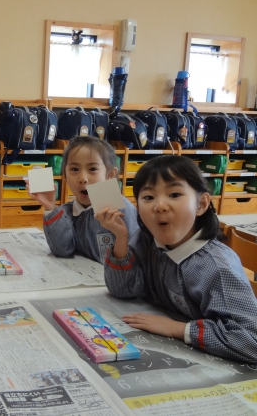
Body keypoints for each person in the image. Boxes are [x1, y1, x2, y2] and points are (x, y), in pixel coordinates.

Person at [95, 155, 257, 363]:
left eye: (174, 194)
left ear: (201, 204)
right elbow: (122, 290)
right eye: (148, 197)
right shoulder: (146, 239)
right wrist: (121, 238)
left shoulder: (217, 268)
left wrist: (179, 329)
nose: (160, 206)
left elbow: (251, 341)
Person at [28, 136, 138, 263]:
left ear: (110, 175)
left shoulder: (121, 209)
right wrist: (50, 208)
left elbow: (137, 257)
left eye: (93, 169)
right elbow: (63, 250)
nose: (83, 178)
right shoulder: (66, 212)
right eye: (74, 169)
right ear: (65, 175)